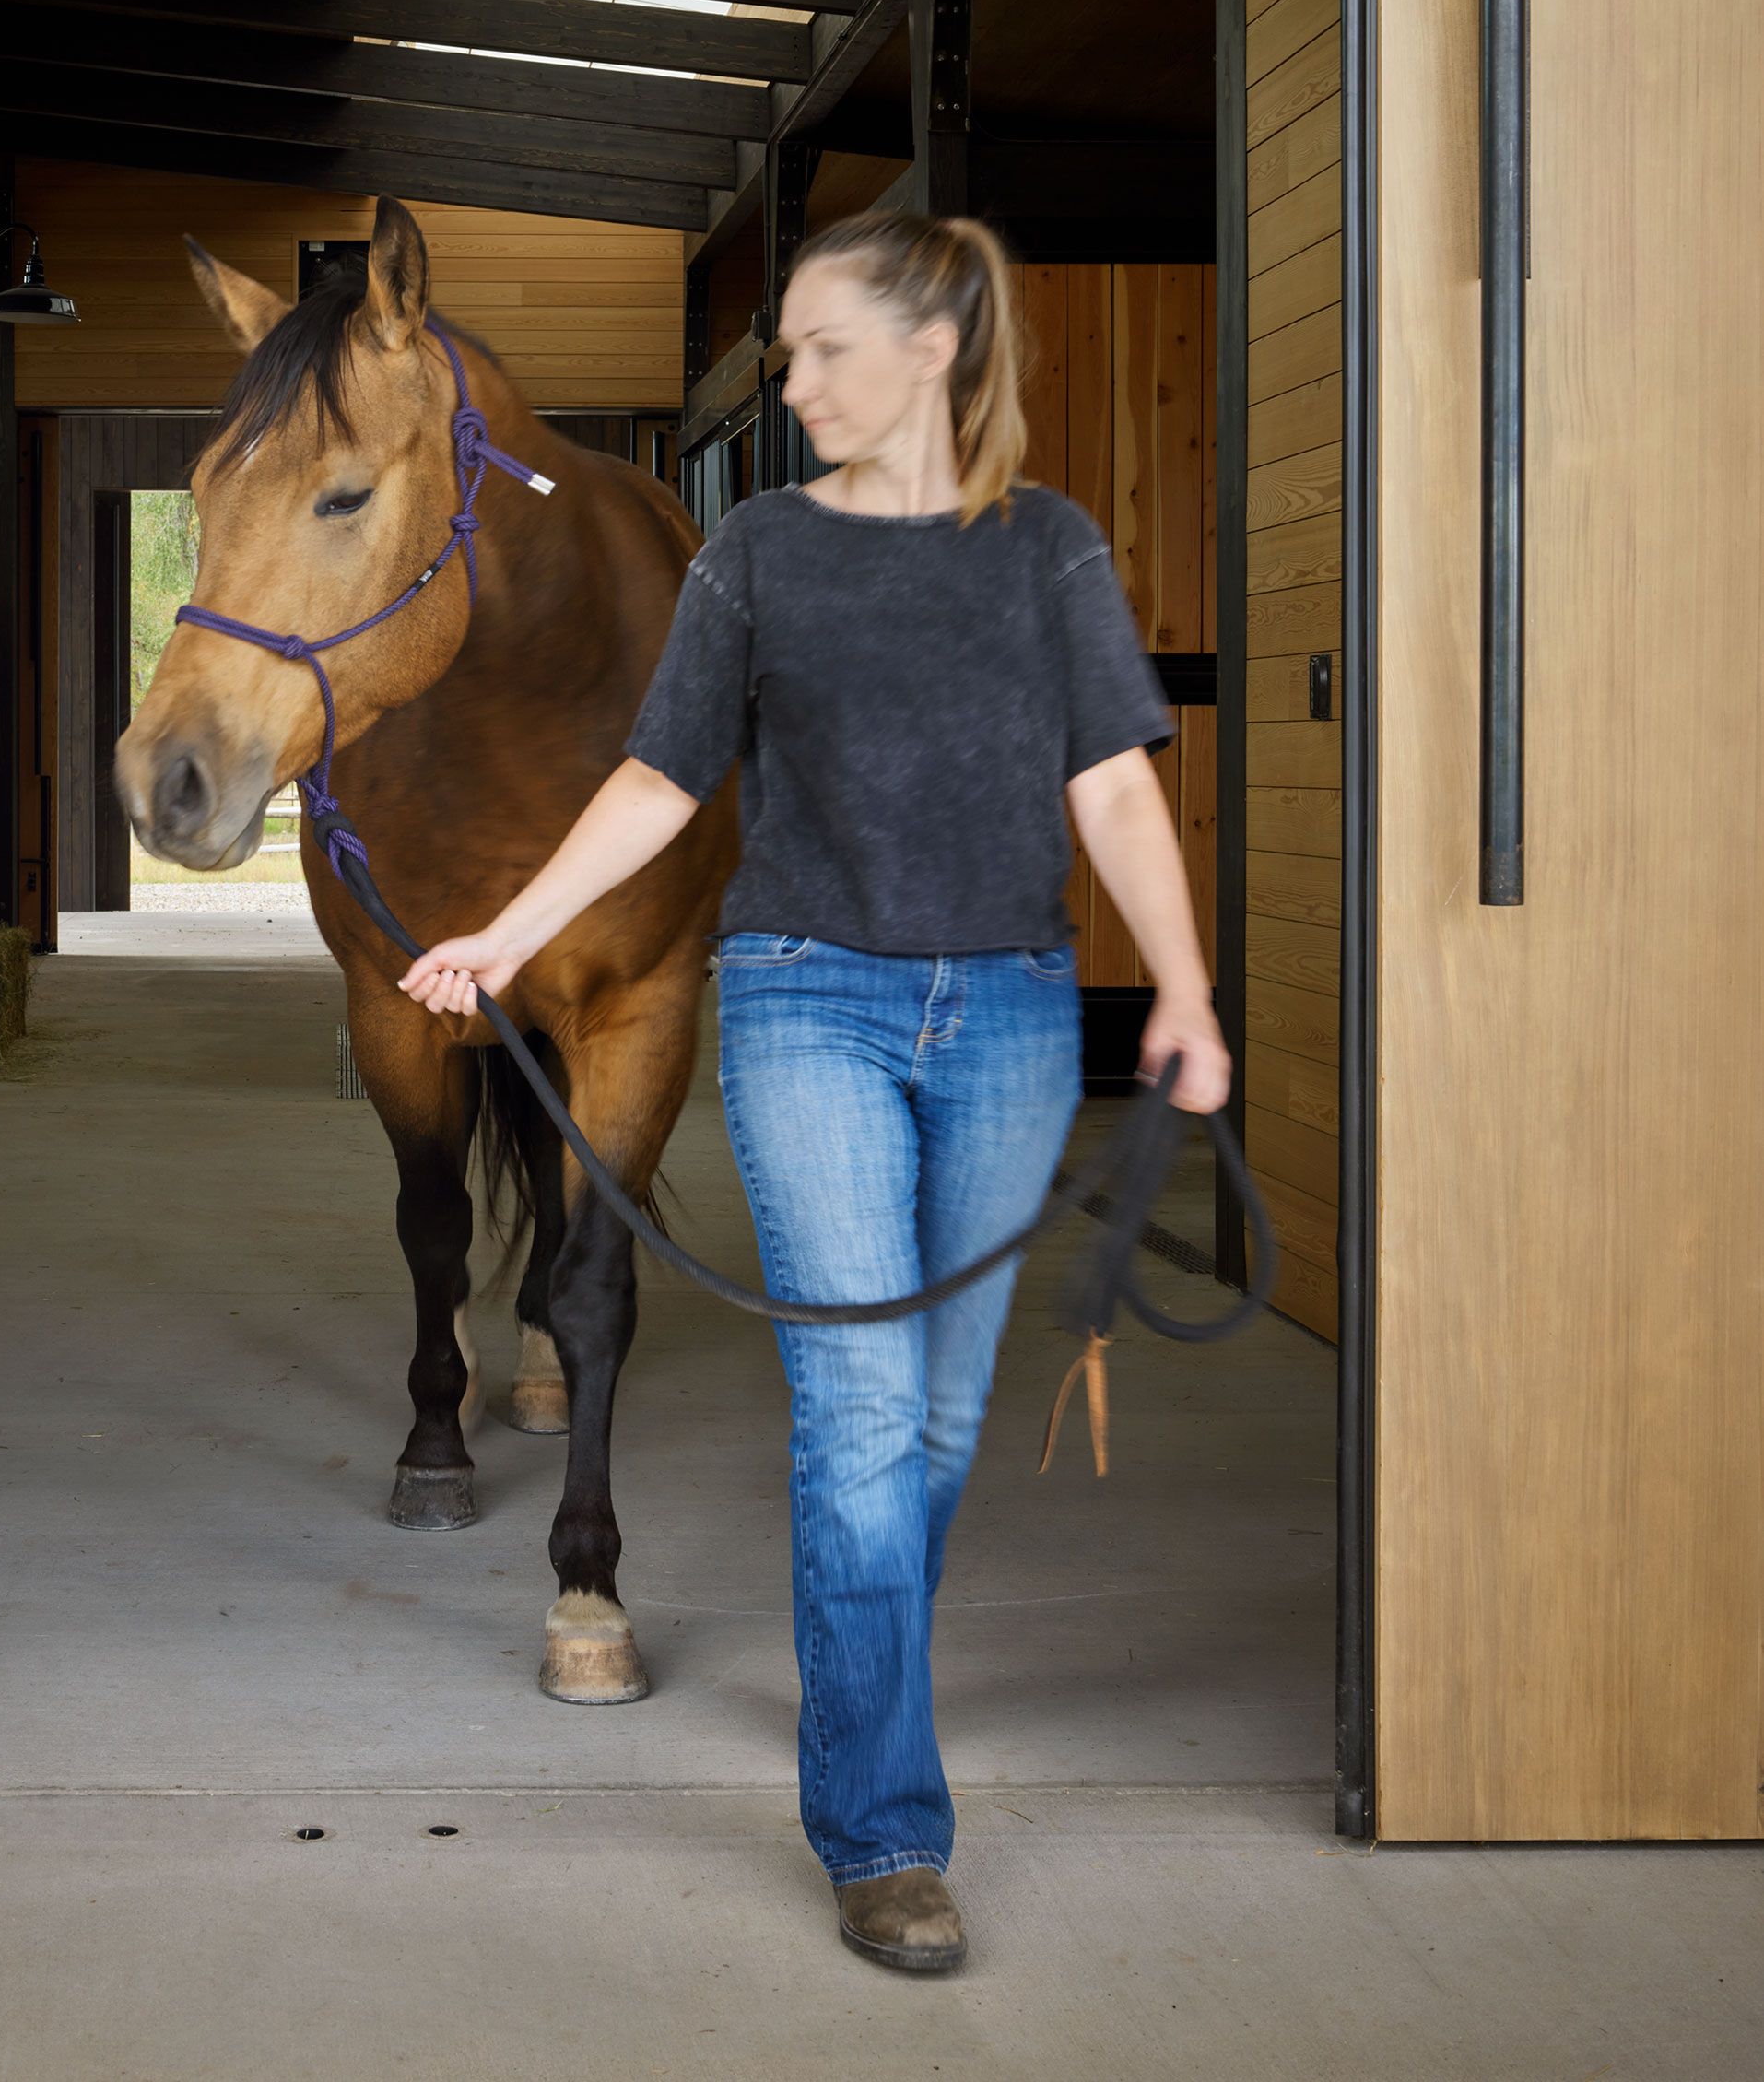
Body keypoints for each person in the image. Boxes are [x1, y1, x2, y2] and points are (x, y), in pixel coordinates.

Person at [400, 210, 1230, 1978]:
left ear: (930, 350)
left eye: (822, 345)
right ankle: (883, 1830)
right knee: (857, 1419)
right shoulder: (759, 553)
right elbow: (654, 778)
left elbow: (1115, 794)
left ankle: (862, 1692)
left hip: (1005, 1013)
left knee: (931, 1427)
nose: (796, 378)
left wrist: (1183, 989)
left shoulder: (1048, 552)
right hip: (805, 1007)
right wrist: (504, 928)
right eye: (787, 351)